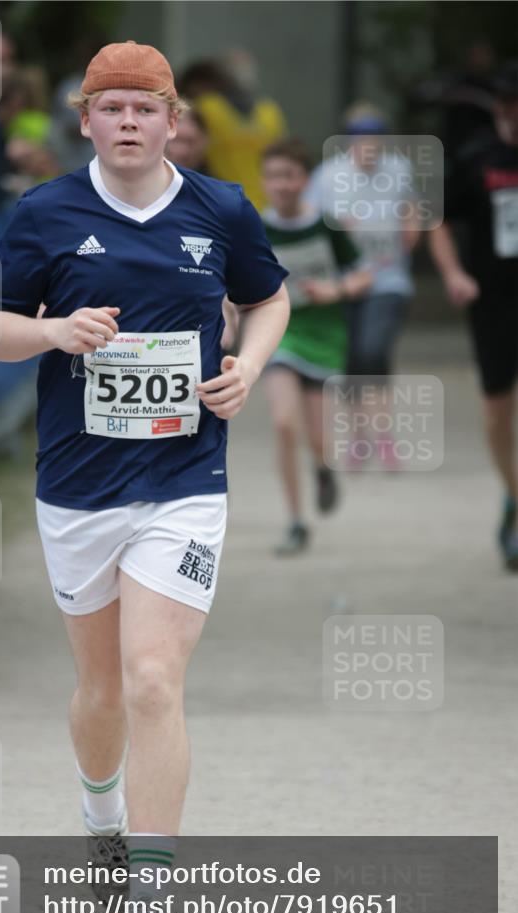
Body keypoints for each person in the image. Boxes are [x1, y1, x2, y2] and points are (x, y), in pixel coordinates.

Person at [0, 40, 289, 913]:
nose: (127, 123)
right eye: (110, 108)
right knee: (101, 691)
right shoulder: (46, 212)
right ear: (84, 121)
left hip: (183, 482)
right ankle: (100, 815)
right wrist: (52, 331)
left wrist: (248, 369)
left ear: (173, 121)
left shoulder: (220, 208)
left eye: (145, 109)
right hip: (78, 487)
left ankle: (149, 905)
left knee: (153, 680)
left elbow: (268, 300)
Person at [259, 138, 372, 554]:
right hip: (280, 333)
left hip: (325, 337)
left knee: (319, 439)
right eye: (273, 176)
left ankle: (323, 469)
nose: (281, 184)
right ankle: (296, 521)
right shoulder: (255, 228)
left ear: (305, 180)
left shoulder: (326, 225)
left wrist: (333, 290)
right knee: (284, 424)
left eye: (289, 175)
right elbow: (236, 281)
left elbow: (364, 275)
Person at [429, 63, 518, 571]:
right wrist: (453, 274)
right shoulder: (477, 158)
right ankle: (513, 495)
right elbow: (437, 219)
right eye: (503, 104)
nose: (509, 112)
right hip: (494, 301)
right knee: (497, 409)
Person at [306, 103, 419, 469]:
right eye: (360, 137)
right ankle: (360, 436)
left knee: (374, 350)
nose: (368, 144)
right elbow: (311, 221)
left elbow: (412, 211)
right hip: (344, 282)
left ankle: (384, 433)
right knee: (351, 359)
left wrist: (407, 234)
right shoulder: (327, 176)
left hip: (388, 279)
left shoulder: (399, 169)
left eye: (375, 136)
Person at [178, 54, 287, 210]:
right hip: (223, 202)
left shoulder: (270, 112)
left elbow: (282, 159)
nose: (242, 77)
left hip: (267, 205)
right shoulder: (208, 108)